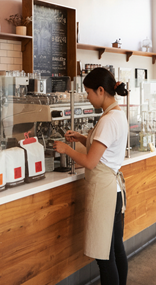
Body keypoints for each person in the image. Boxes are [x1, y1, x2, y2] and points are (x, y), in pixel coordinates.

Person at [54, 67, 129, 285]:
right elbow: (102, 148)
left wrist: (66, 149)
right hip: (114, 191)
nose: (87, 97)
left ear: (100, 90)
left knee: (104, 257)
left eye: (88, 92)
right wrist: (80, 138)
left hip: (103, 192)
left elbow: (90, 161)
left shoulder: (107, 120)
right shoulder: (117, 114)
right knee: (116, 248)